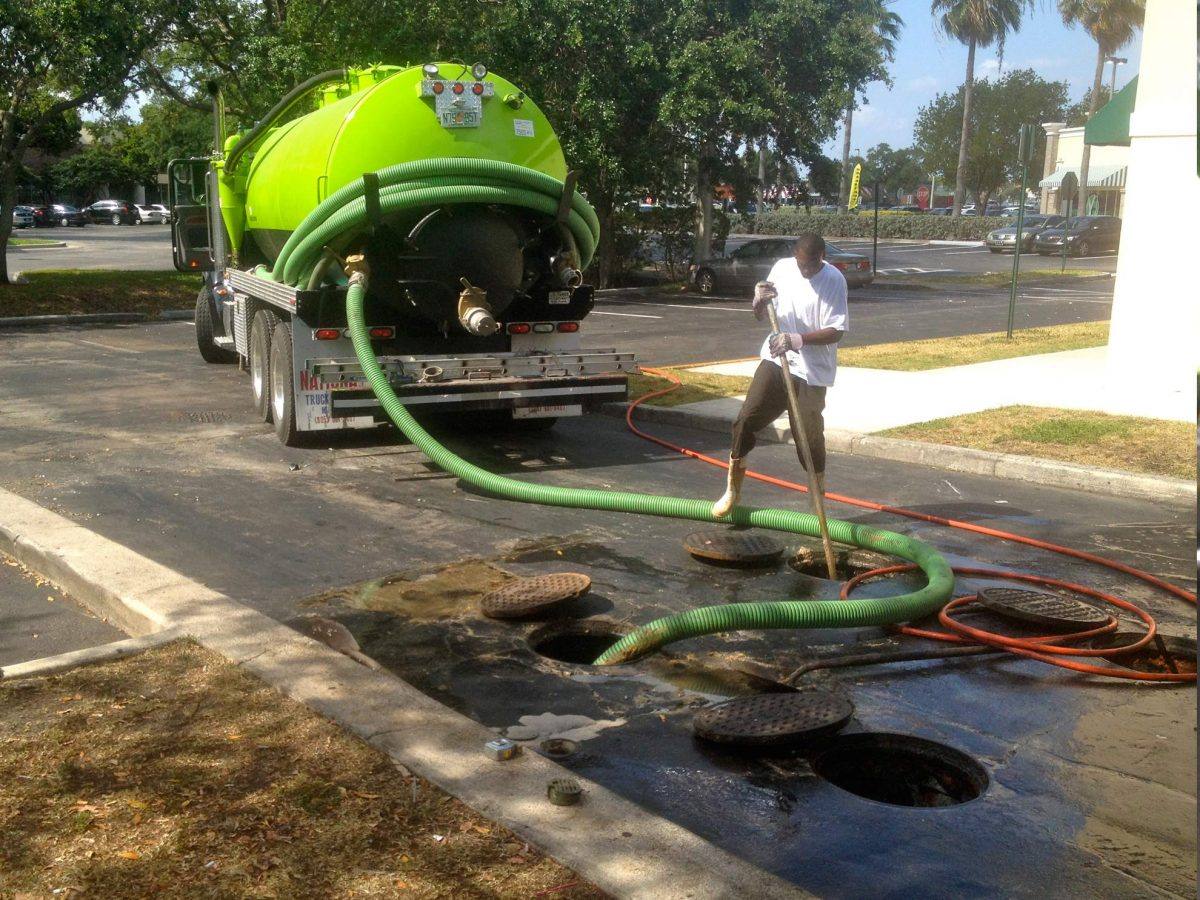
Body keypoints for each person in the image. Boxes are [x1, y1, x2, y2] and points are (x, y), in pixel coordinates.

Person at [712, 232, 848, 517]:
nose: (803, 269)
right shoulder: (783, 269)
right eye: (800, 263)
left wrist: (797, 340)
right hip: (776, 358)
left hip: (812, 372)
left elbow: (836, 331)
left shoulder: (834, 280)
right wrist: (758, 301)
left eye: (809, 265)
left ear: (821, 257)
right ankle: (733, 489)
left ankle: (816, 500)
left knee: (808, 438)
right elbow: (761, 314)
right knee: (746, 420)